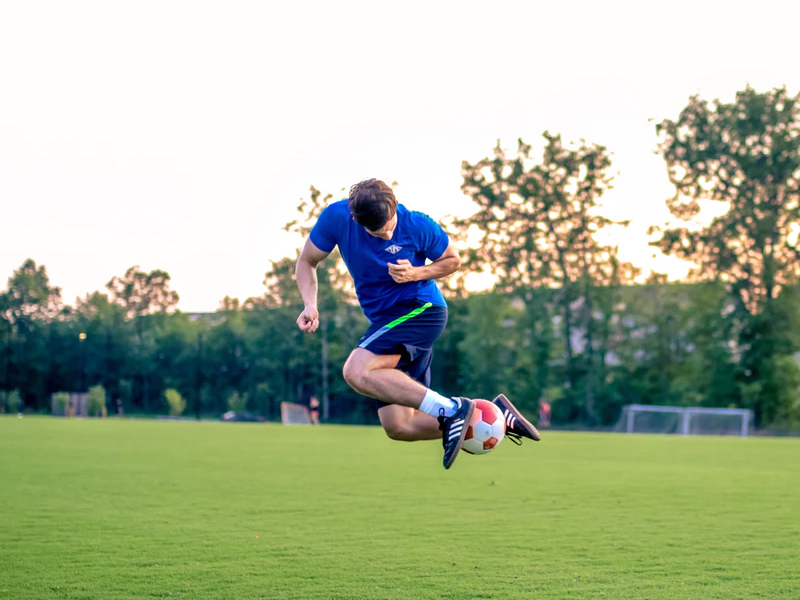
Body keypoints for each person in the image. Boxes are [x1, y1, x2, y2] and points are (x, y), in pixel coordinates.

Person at [295, 178, 540, 469]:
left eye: (389, 225)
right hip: (386, 320)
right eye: (376, 231)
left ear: (395, 205)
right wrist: (310, 303)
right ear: (354, 218)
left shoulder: (418, 225)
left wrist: (417, 273)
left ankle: (453, 409)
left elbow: (452, 260)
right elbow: (307, 262)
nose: (386, 235)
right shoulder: (336, 218)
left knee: (355, 371)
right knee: (399, 426)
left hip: (421, 310)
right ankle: (497, 419)